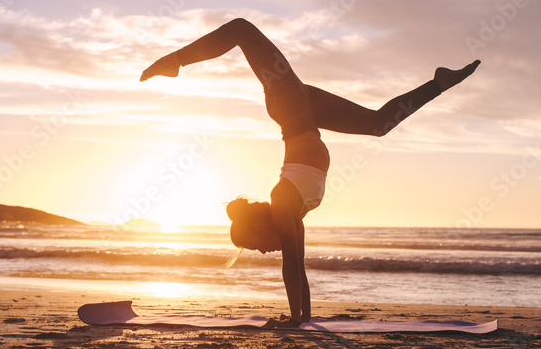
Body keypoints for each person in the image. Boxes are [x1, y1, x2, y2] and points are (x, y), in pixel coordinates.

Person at [140, 18, 479, 328]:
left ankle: (175, 61)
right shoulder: (292, 211)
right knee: (379, 125)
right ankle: (439, 83)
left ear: (258, 226)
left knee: (241, 30)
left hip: (291, 109)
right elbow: (299, 267)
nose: (263, 252)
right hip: (303, 110)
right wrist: (303, 319)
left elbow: (289, 266)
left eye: (256, 246)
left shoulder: (282, 201)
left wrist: (292, 320)